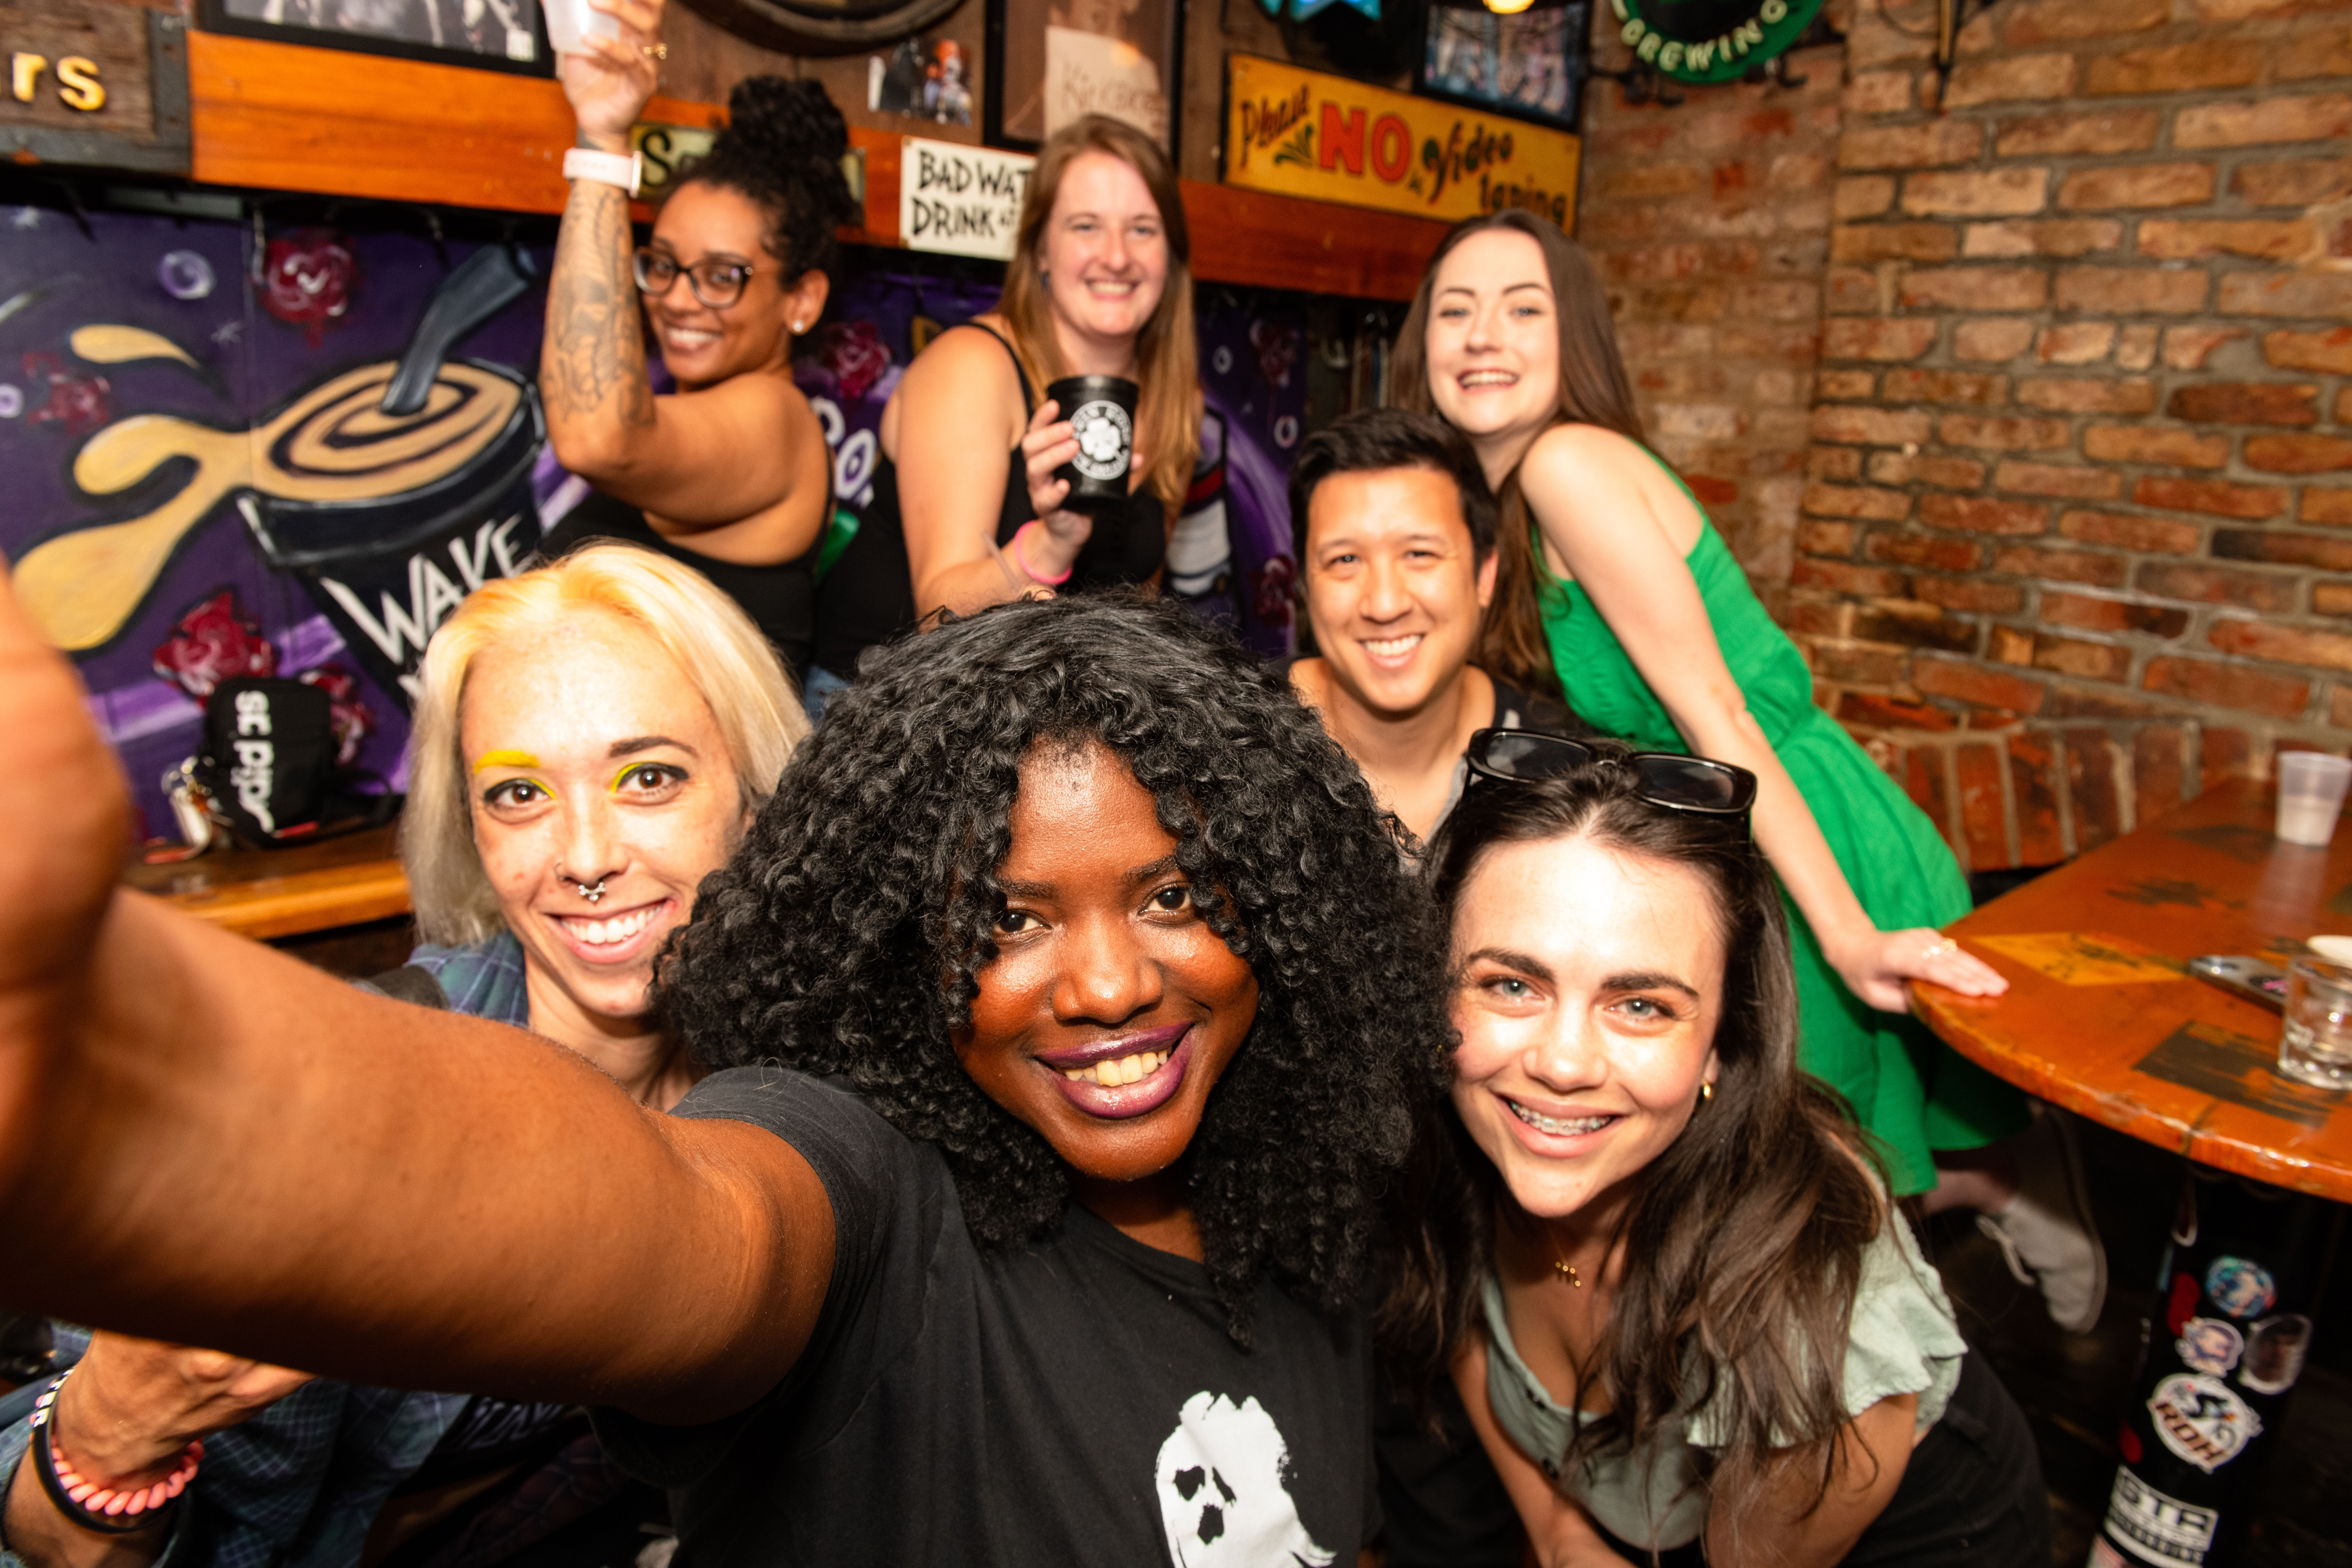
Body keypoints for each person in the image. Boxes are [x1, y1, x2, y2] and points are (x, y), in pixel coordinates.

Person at [0, 582, 1444, 1565]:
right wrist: (151, 1061)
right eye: (1004, 919)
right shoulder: (852, 1158)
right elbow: (678, 1227)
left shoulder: (1313, 1182)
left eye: (1177, 895)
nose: (1111, 982)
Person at [0, 545, 805, 1568]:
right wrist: (111, 1441)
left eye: (649, 776)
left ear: (755, 791)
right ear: (469, 827)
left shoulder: (800, 1052)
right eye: (518, 795)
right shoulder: (337, 1124)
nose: (588, 855)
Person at [1393, 209, 2104, 1332]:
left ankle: (2008, 1194)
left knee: (1791, 1157)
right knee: (1787, 1150)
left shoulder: (1569, 463)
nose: (1485, 335)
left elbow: (1713, 708)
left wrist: (1847, 931)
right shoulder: (1487, 501)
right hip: (1715, 827)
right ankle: (2005, 1178)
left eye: (1523, 308)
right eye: (1457, 309)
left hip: (1789, 819)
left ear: (1572, 337)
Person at [1384, 736, 2051, 1565]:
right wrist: (1557, 1532)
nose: (1561, 1064)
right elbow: (1467, 1320)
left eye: (1641, 1006)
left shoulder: (1805, 1314)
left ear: (1721, 1048)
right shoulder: (1438, 1132)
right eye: (1511, 985)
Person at [808, 116, 1201, 709]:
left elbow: (1135, 603)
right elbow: (937, 621)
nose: (1116, 256)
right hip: (879, 711)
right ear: (1041, 249)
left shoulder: (1175, 398)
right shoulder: (973, 365)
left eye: (1142, 229)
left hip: (1032, 715)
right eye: (1086, 226)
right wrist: (1052, 543)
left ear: (1170, 257)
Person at [536, 0, 856, 688]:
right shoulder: (685, 420)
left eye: (722, 277)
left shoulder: (777, 421)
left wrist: (601, 139)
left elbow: (597, 437)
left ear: (802, 301)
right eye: (663, 265)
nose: (678, 298)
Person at [1286, 409, 1585, 845]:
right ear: (1306, 588)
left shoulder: (1559, 769)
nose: (1385, 604)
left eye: (1420, 554)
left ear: (1484, 576)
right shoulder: (1229, 742)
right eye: (1345, 560)